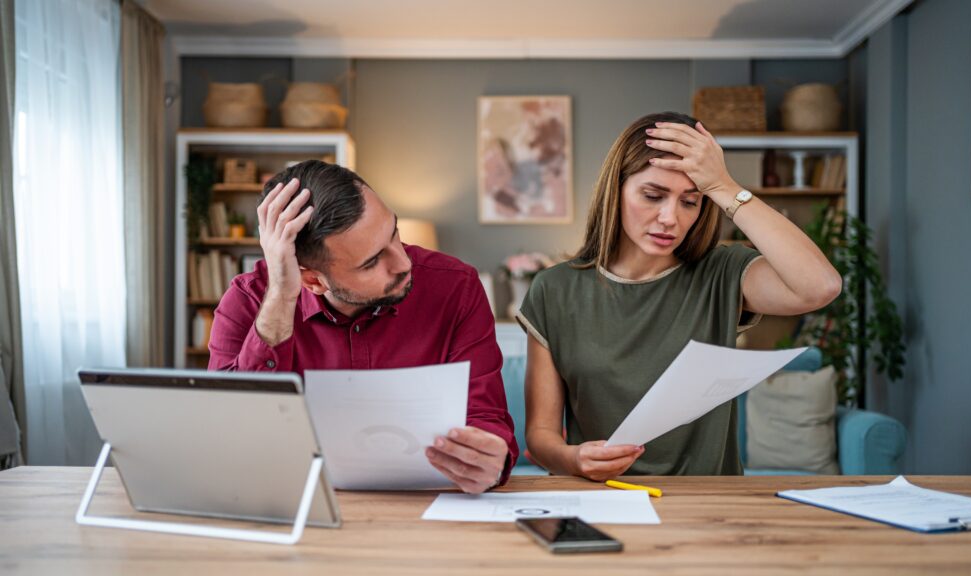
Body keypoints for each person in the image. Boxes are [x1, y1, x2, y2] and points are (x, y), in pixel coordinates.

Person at [517, 111, 842, 480]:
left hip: (707, 506)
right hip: (600, 499)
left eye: (690, 201)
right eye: (653, 195)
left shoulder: (722, 271)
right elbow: (540, 436)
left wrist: (723, 186)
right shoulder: (555, 289)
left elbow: (821, 287)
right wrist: (572, 459)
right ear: (616, 190)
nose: (670, 218)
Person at [208, 160, 518, 494]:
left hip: (425, 507)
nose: (403, 263)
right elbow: (235, 437)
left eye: (394, 233)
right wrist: (282, 296)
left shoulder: (456, 287)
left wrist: (489, 459)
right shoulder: (247, 302)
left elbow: (486, 417)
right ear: (312, 279)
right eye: (371, 262)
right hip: (294, 504)